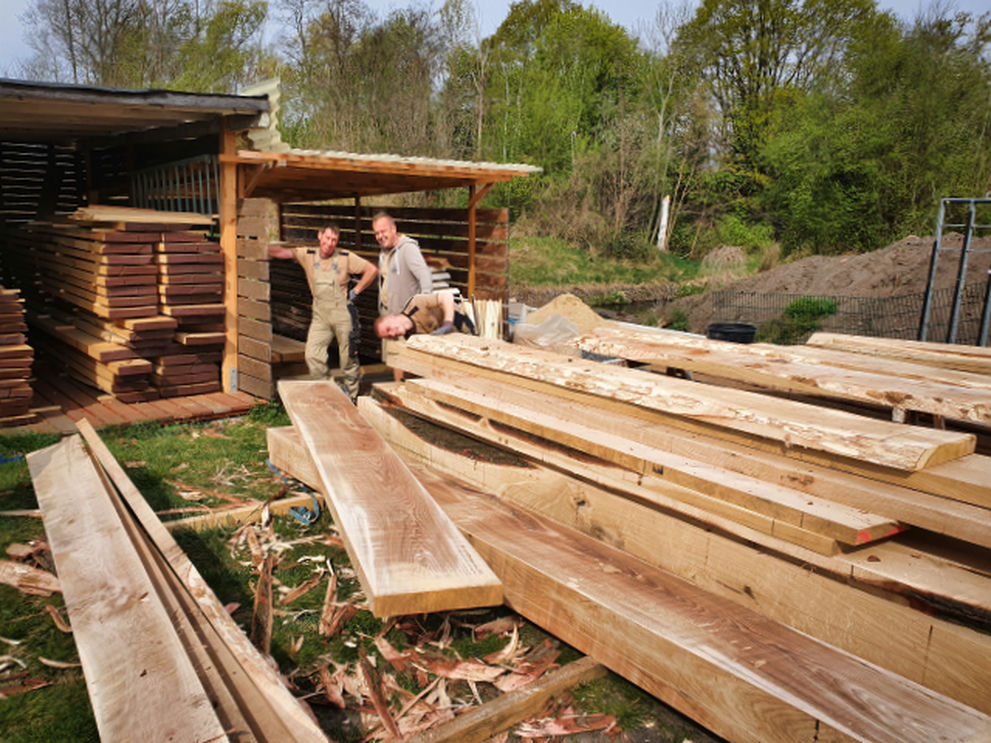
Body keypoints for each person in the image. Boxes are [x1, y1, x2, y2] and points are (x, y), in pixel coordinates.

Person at [268, 223, 378, 402]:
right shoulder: (307, 254)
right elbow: (280, 252)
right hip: (320, 315)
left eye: (334, 240)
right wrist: (256, 247)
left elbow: (372, 270)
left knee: (348, 357)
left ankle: (351, 394)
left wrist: (356, 291)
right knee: (312, 354)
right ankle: (328, 388)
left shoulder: (345, 257)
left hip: (342, 312)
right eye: (327, 238)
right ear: (320, 236)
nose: (330, 243)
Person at [373, 211, 433, 380]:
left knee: (404, 359)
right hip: (389, 313)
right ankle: (398, 392)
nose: (380, 236)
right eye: (376, 233)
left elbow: (424, 276)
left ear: (393, 229)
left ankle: (404, 395)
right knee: (394, 358)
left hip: (403, 316)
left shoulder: (408, 249)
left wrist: (422, 307)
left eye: (383, 231)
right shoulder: (385, 252)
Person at [374, 291, 476, 339]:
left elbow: (447, 297)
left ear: (391, 317)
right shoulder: (411, 337)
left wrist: (447, 324)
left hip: (458, 322)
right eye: (389, 336)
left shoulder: (416, 303)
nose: (392, 334)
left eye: (388, 329)